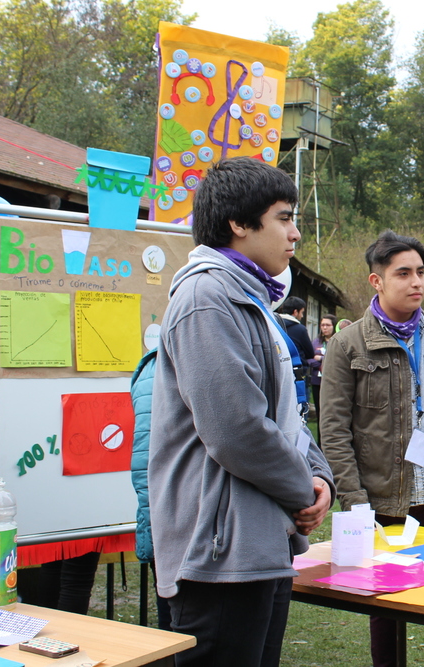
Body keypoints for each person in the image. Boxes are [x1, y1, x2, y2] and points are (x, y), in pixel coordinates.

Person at [149, 157, 334, 667]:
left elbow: (287, 414)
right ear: (238, 223)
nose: (295, 233)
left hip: (261, 540)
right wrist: (302, 490)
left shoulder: (251, 299)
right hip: (218, 553)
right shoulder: (206, 298)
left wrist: (320, 478)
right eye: (284, 218)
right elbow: (236, 429)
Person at [319, 230, 424, 667]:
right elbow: (334, 431)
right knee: (386, 612)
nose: (417, 282)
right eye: (404, 273)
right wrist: (355, 502)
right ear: (376, 281)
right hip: (380, 504)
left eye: (421, 273)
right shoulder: (347, 344)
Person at [277, 296, 316, 403]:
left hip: (278, 372)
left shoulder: (273, 325)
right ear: (295, 312)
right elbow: (310, 353)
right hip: (297, 374)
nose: (302, 316)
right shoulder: (300, 329)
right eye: (302, 312)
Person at [310, 313, 338, 418]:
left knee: (331, 412)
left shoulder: (338, 341)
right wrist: (321, 363)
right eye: (322, 325)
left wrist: (321, 359)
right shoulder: (316, 342)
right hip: (317, 381)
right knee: (319, 411)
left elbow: (337, 360)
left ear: (334, 326)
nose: (324, 328)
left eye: (327, 325)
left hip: (333, 381)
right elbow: (310, 359)